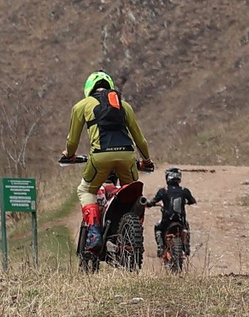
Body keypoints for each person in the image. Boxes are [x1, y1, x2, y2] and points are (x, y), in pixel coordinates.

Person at [57, 70, 155, 215]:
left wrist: (69, 154)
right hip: (127, 156)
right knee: (132, 193)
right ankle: (131, 229)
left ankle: (94, 231)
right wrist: (146, 160)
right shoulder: (123, 105)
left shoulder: (81, 106)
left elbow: (72, 141)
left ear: (89, 88)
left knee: (85, 190)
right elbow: (140, 140)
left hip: (100, 157)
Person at [148, 166, 199, 258]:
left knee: (158, 228)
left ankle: (160, 248)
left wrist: (149, 204)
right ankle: (186, 247)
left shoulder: (163, 191)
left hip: (167, 220)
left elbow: (152, 202)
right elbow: (192, 201)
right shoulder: (184, 191)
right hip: (180, 220)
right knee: (186, 227)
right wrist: (186, 202)